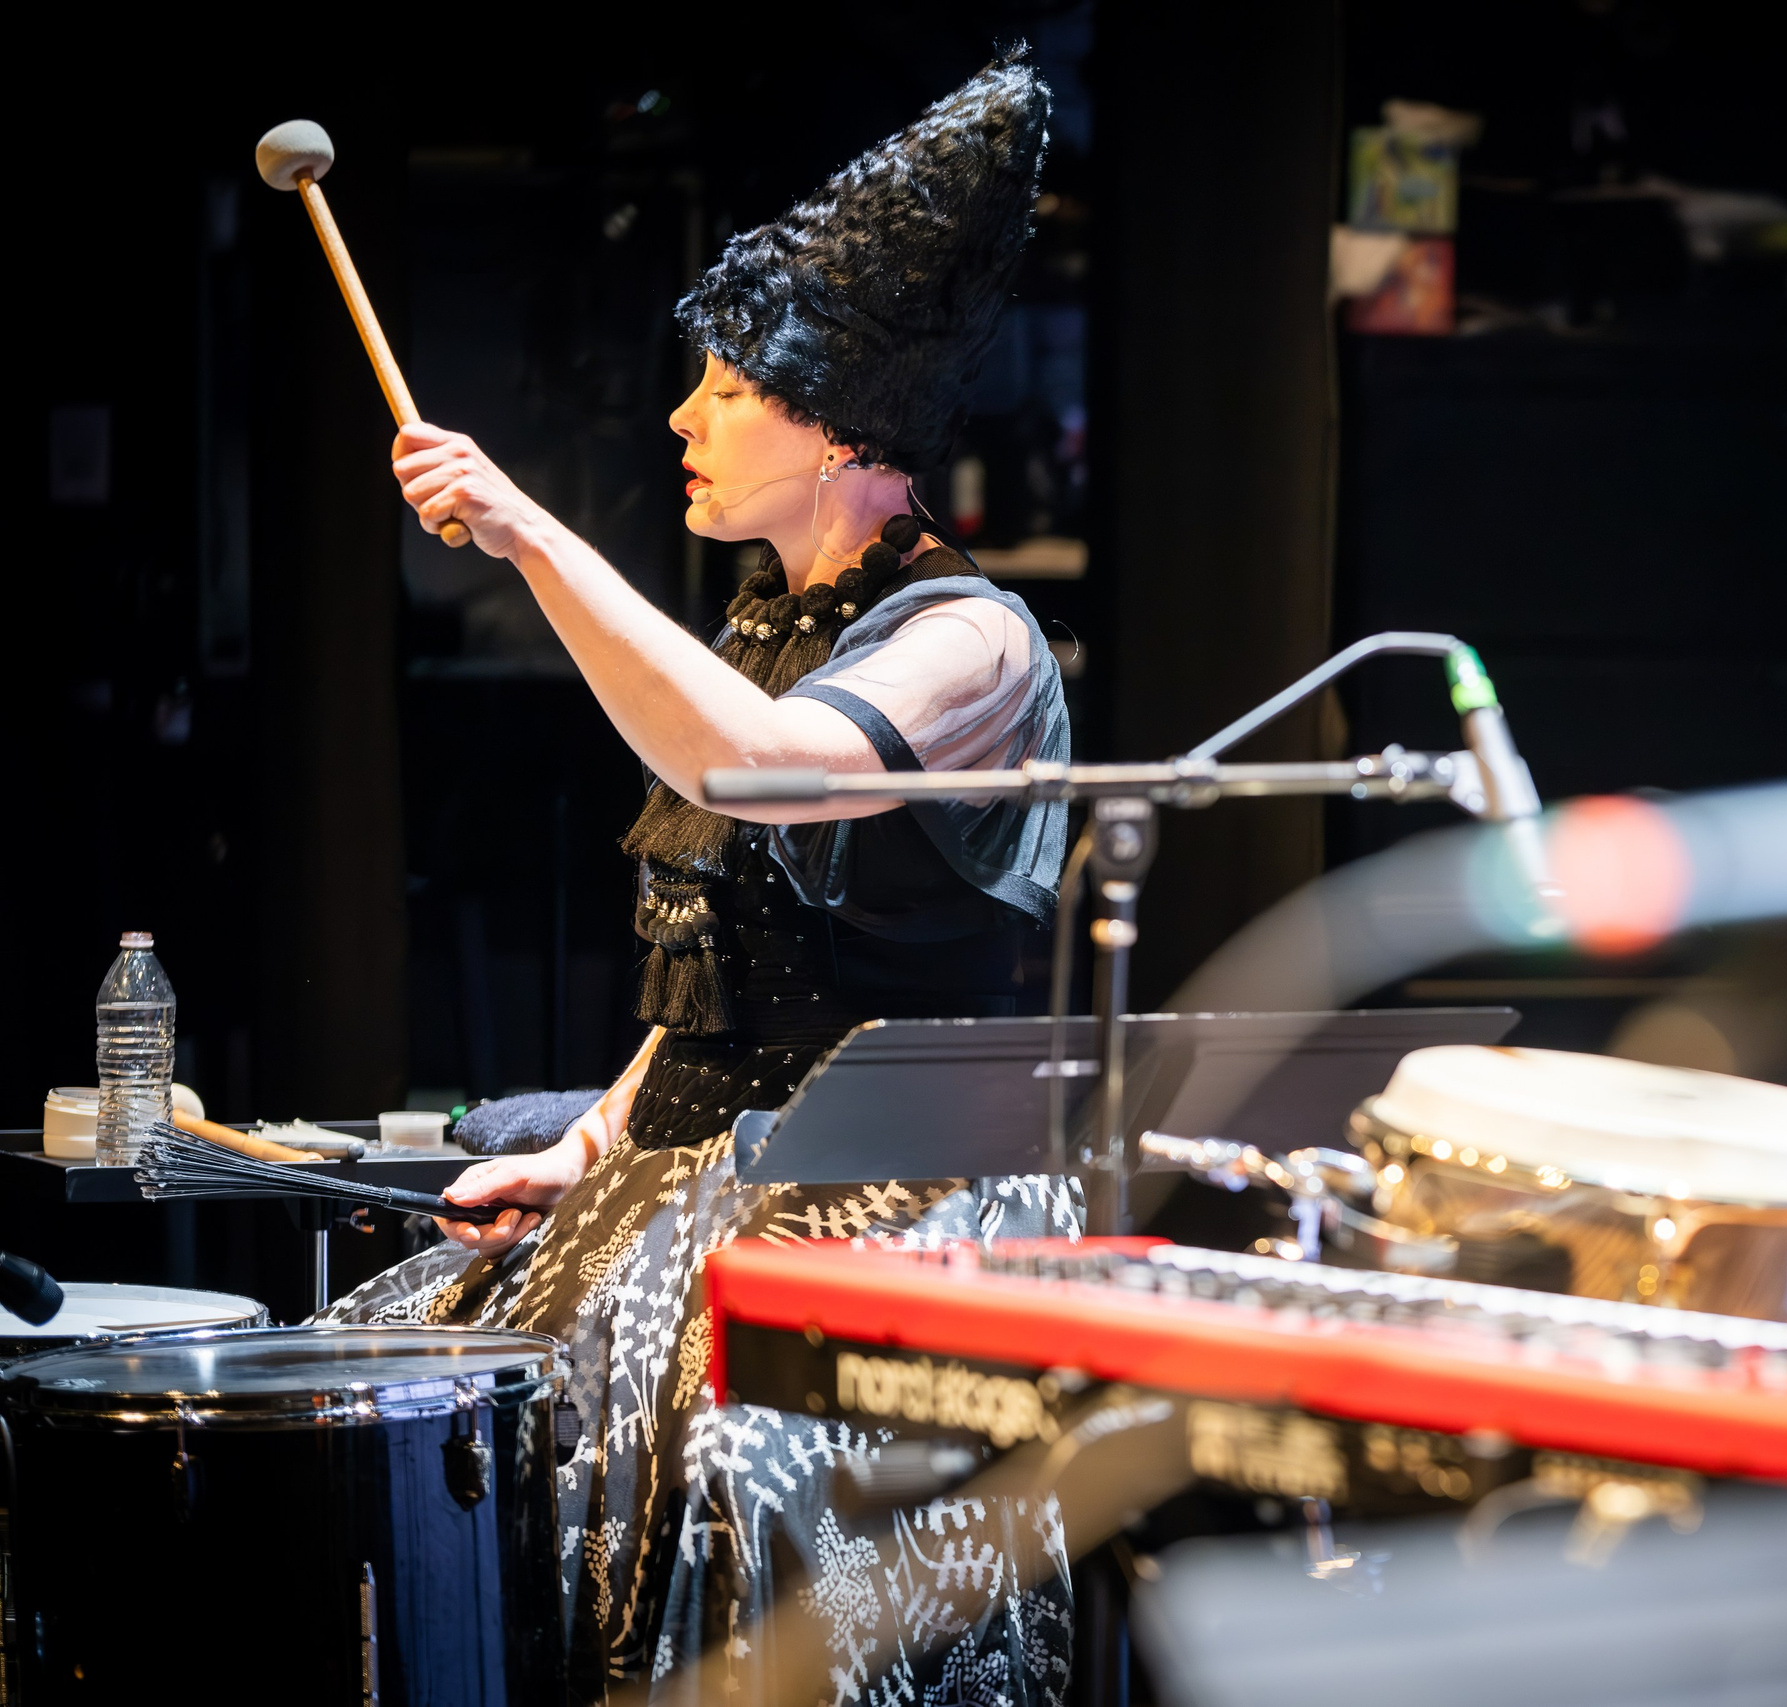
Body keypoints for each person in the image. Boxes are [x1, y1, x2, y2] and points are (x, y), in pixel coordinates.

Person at [326, 52, 1081, 1703]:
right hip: (700, 1171)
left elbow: (762, 769)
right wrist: (592, 1140)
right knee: (397, 1366)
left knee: (704, 1459)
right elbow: (717, 974)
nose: (684, 417)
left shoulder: (972, 638)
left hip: (876, 1196)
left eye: (728, 389)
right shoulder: (765, 627)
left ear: (840, 421)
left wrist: (531, 534)